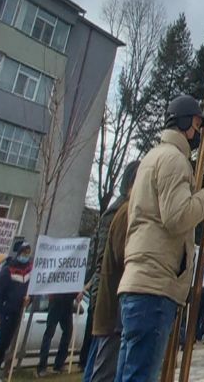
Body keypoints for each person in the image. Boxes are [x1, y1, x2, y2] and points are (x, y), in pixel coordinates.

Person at [115, 94, 204, 382]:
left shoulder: (151, 158)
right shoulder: (175, 161)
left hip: (139, 281)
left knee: (129, 373)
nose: (198, 133)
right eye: (197, 125)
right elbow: (176, 217)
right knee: (140, 375)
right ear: (185, 122)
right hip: (155, 286)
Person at [83, 160, 139, 382]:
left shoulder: (121, 211)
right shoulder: (122, 213)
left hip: (114, 304)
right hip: (112, 303)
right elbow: (111, 260)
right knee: (103, 368)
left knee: (103, 364)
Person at [0, 240, 32, 381]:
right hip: (4, 314)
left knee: (5, 346)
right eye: (24, 252)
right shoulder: (7, 270)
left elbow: (32, 290)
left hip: (16, 313)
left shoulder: (29, 270)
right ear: (18, 253)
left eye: (28, 252)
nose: (26, 255)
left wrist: (29, 299)